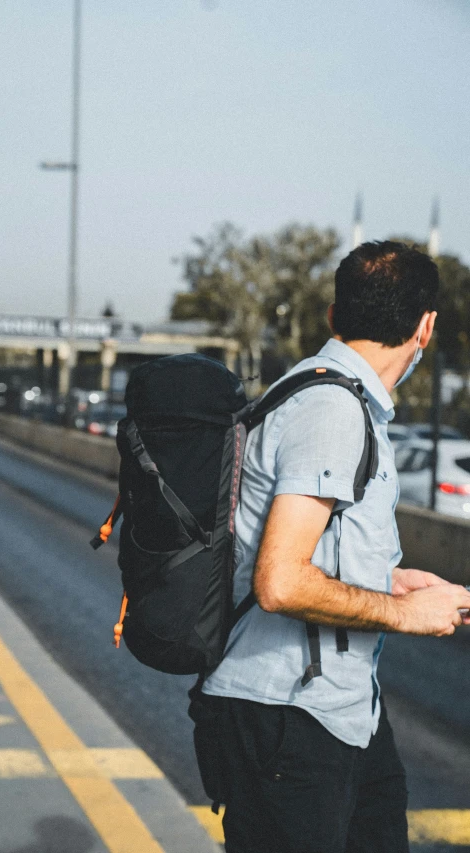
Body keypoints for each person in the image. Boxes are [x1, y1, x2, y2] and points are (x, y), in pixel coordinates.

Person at [201, 240, 470, 853]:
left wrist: (396, 581)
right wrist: (405, 614)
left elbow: (314, 550)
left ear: (332, 315)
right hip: (287, 719)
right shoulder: (331, 409)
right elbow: (281, 583)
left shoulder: (338, 398)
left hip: (344, 715)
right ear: (426, 327)